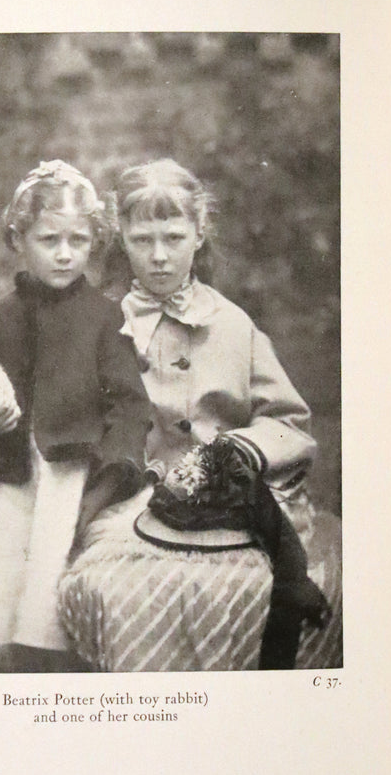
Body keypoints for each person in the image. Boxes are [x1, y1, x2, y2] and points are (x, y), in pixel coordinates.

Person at [59, 159, 343, 671]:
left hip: (234, 502)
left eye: (173, 236)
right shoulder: (100, 327)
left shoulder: (233, 325)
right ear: (120, 236)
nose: (160, 256)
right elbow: (74, 425)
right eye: (143, 239)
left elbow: (288, 422)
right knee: (123, 592)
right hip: (134, 502)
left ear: (199, 232)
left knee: (266, 589)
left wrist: (245, 449)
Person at [0, 160, 152, 673]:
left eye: (79, 240)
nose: (66, 253)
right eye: (50, 239)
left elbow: (130, 404)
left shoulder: (103, 318)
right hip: (6, 484)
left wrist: (110, 474)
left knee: (55, 607)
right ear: (18, 239)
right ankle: (12, 683)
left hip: (69, 484)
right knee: (3, 607)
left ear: (94, 241)